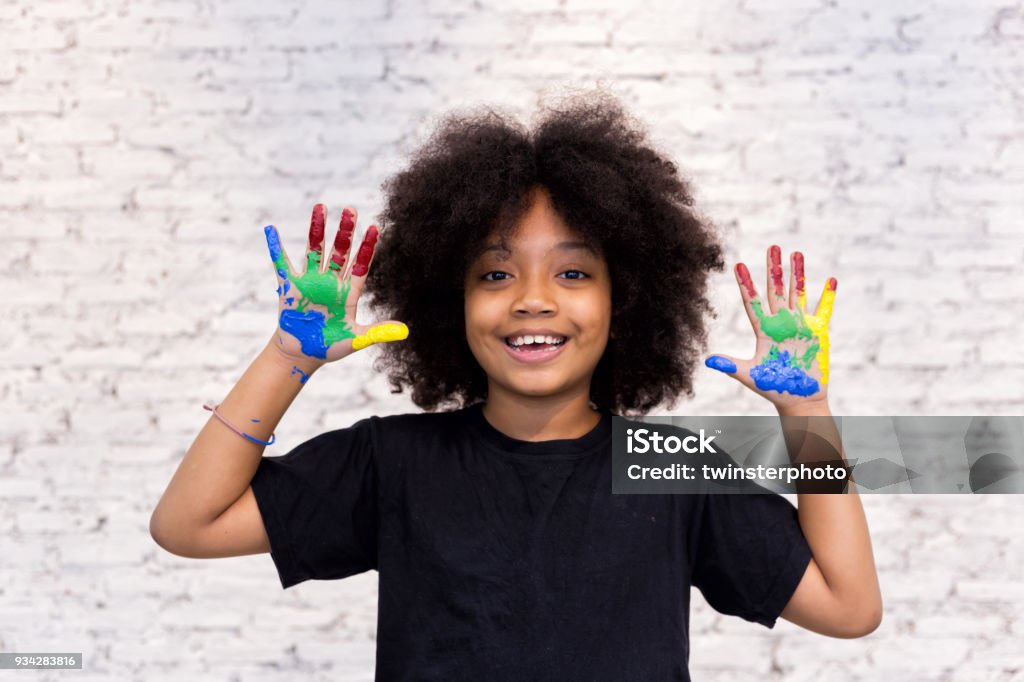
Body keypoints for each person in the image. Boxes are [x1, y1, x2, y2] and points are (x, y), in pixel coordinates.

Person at [149, 90, 882, 681]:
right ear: (451, 303)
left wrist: (807, 411)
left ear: (625, 301)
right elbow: (188, 526)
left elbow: (849, 607)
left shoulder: (674, 471)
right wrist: (287, 359)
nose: (533, 299)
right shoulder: (393, 463)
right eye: (496, 274)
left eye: (572, 272)